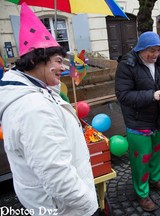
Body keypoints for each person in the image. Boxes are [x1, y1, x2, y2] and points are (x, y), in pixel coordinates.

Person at [0, 3, 98, 216]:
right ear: (37, 60)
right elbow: (56, 175)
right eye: (58, 61)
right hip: (66, 209)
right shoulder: (33, 108)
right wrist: (88, 204)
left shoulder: (35, 93)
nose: (64, 68)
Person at [115, 31, 160, 212]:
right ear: (140, 49)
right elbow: (123, 95)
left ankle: (154, 179)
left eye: (158, 50)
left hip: (157, 119)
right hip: (137, 122)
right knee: (141, 160)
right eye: (151, 51)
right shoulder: (127, 65)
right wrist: (151, 95)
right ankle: (142, 193)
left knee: (157, 153)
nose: (155, 55)